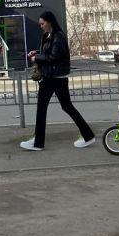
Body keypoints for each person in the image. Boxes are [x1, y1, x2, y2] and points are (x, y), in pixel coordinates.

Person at [21, 11, 95, 151]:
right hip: (53, 77)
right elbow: (49, 53)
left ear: (50, 22)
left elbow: (54, 57)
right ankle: (88, 135)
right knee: (65, 107)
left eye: (42, 23)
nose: (41, 26)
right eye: (40, 24)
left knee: (44, 109)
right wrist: (37, 53)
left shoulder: (58, 36)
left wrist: (36, 58)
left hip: (53, 78)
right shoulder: (48, 36)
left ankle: (38, 143)